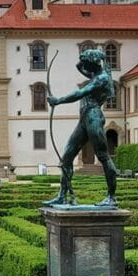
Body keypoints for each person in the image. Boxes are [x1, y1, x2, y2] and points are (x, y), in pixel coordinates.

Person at [45, 49, 118, 207]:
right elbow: (79, 67)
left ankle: (111, 197)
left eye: (87, 63)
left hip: (93, 117)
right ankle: (62, 196)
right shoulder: (94, 75)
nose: (84, 66)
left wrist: (59, 100)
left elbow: (80, 93)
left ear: (93, 63)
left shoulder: (102, 79)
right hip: (85, 117)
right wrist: (83, 58)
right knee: (67, 157)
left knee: (103, 157)